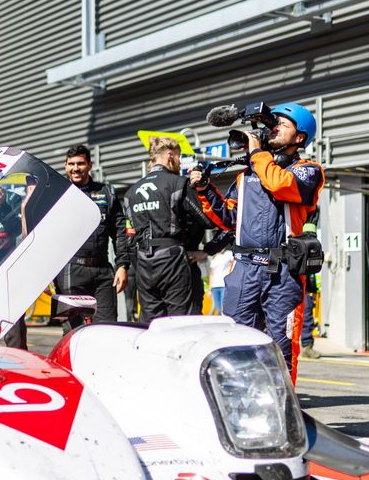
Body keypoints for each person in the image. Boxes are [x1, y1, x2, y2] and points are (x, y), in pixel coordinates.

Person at [192, 103, 324, 379]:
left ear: (300, 137)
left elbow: (279, 184)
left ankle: (282, 411)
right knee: (233, 343)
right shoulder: (247, 176)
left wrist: (256, 153)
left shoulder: (307, 171)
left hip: (283, 272)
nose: (275, 128)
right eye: (274, 124)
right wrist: (205, 190)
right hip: (243, 270)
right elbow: (227, 219)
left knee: (281, 347)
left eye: (284, 125)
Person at [123, 137, 213, 321]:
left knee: (152, 323)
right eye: (179, 158)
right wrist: (201, 190)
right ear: (170, 155)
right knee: (181, 321)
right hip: (172, 259)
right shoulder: (178, 183)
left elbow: (130, 239)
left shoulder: (130, 193)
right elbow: (207, 219)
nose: (179, 163)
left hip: (144, 263)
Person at [57, 144, 131, 328]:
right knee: (73, 331)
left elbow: (120, 231)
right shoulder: (58, 194)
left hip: (103, 271)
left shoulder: (106, 192)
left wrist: (122, 265)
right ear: (65, 166)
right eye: (71, 164)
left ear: (89, 165)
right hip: (71, 271)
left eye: (81, 163)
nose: (76, 168)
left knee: (107, 328)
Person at [208, 247, 233, 316]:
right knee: (218, 308)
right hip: (215, 286)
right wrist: (209, 289)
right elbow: (212, 274)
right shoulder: (214, 257)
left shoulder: (229, 254)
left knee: (224, 307)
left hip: (224, 285)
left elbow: (235, 264)